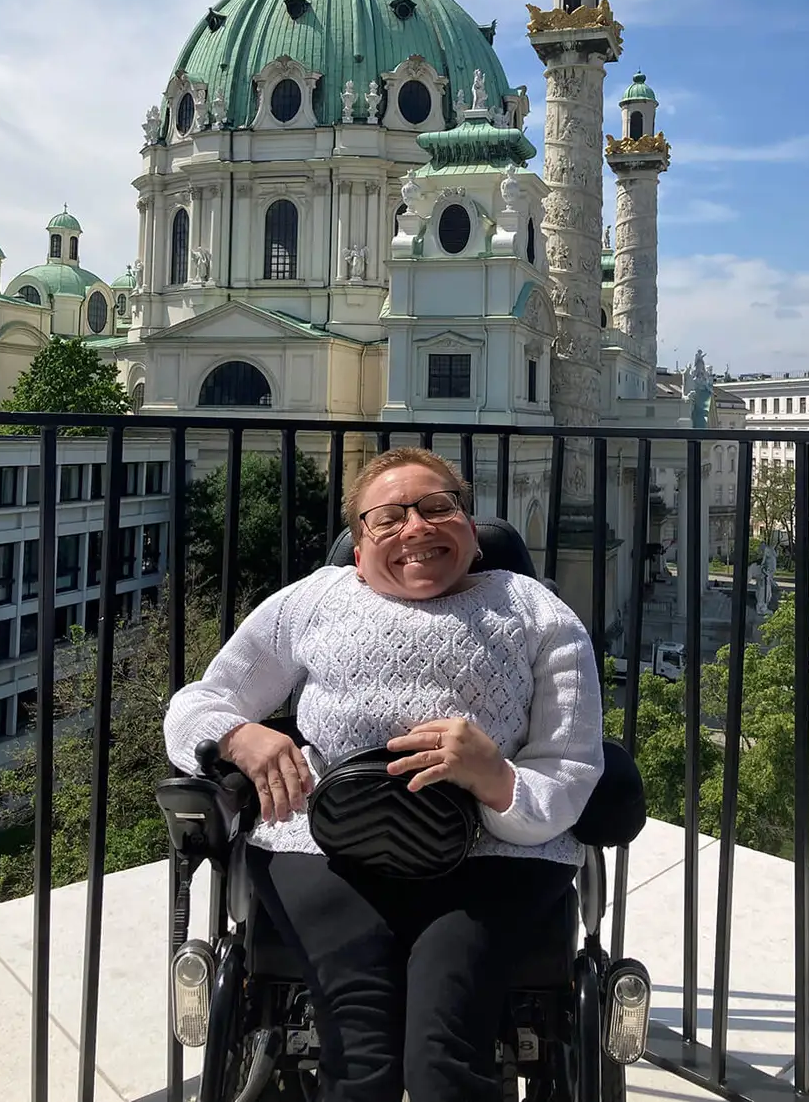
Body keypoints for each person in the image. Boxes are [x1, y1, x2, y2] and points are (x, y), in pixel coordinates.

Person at [164, 447, 604, 1102]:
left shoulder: (538, 613)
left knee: (444, 1058)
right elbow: (195, 705)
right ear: (359, 545)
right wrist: (240, 735)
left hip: (492, 855)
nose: (416, 527)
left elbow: (570, 766)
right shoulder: (313, 600)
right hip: (325, 847)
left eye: (437, 508)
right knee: (359, 1054)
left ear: (470, 527)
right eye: (389, 518)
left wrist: (495, 776)